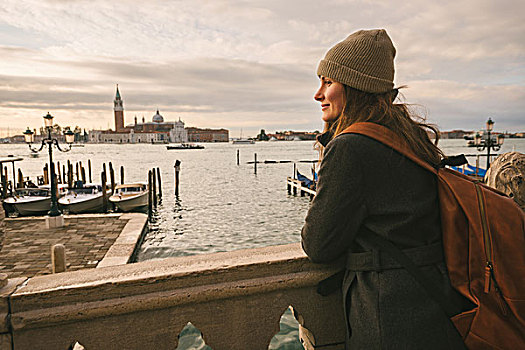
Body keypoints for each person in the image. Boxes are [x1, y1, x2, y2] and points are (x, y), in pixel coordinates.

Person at [301, 29, 471, 349]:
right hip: (437, 303)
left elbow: (318, 245)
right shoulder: (409, 137)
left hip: (388, 317)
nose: (317, 94)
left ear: (354, 87)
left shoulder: (351, 148)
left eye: (327, 82)